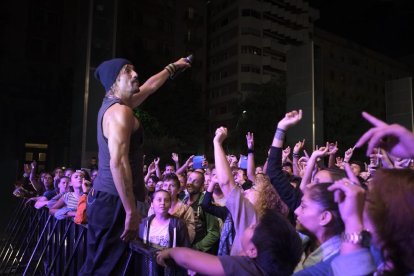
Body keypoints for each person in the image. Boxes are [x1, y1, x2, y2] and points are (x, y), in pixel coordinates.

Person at [80, 56, 191, 275]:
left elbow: (149, 87)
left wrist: (173, 68)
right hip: (115, 201)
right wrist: (131, 210)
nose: (135, 74)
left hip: (109, 198)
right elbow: (118, 162)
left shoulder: (119, 106)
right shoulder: (120, 112)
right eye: (127, 71)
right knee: (106, 268)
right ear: (114, 82)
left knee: (101, 263)